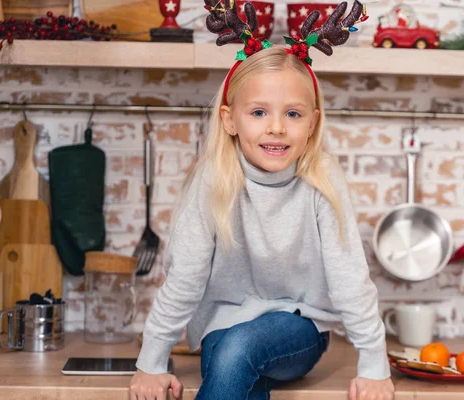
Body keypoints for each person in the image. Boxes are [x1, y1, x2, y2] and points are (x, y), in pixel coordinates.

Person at [129, 1, 394, 399]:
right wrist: (151, 361)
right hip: (222, 327)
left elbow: (348, 277)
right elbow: (185, 276)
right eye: (258, 112)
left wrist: (374, 363)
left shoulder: (321, 177)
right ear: (229, 119)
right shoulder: (214, 179)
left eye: (292, 114)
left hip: (298, 327)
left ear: (313, 123)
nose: (275, 128)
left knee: (239, 350)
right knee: (236, 361)